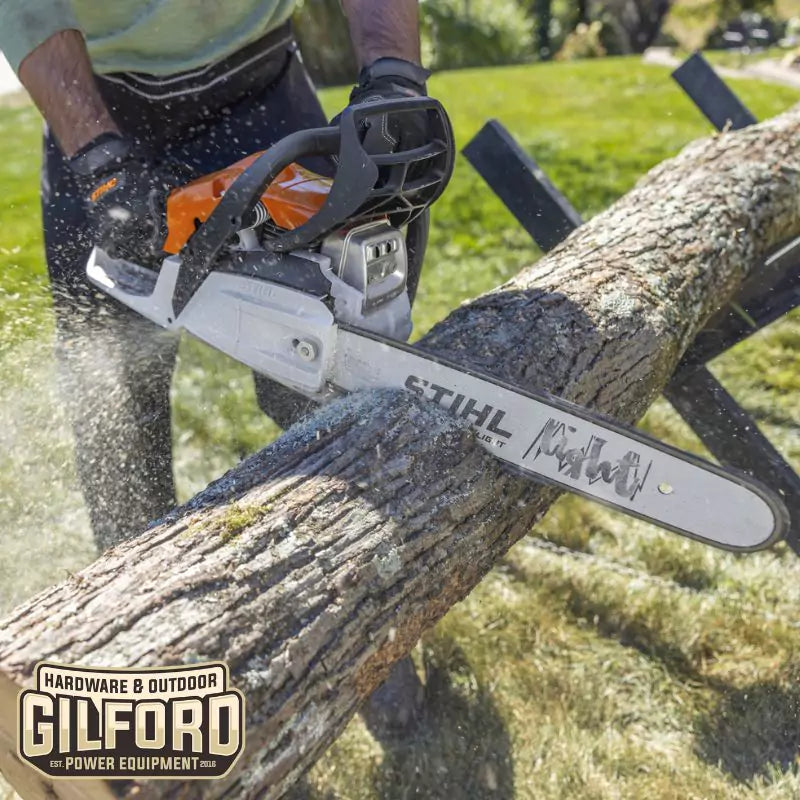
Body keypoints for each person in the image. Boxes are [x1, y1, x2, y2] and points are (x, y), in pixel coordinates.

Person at [1, 0, 444, 734]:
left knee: (332, 385)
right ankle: (143, 663)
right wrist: (99, 158)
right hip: (100, 108)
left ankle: (372, 620)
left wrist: (394, 77)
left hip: (261, 90)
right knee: (116, 418)